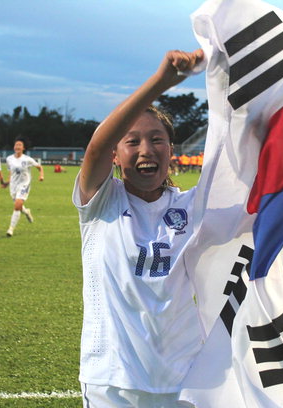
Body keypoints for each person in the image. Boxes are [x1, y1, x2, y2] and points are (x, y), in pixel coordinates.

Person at [73, 49, 205, 407]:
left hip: (186, 380)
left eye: (157, 139)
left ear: (171, 150)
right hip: (112, 384)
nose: (146, 149)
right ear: (116, 155)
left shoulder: (192, 205)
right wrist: (161, 82)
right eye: (132, 141)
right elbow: (95, 150)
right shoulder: (102, 202)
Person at [4, 137, 44, 237]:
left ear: (23, 148)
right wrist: (7, 182)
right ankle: (26, 212)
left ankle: (10, 229)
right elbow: (10, 172)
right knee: (19, 205)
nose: (17, 146)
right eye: (16, 145)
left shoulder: (27, 159)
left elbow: (39, 167)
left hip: (24, 185)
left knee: (17, 205)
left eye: (19, 145)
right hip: (13, 186)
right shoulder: (9, 159)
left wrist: (41, 175)